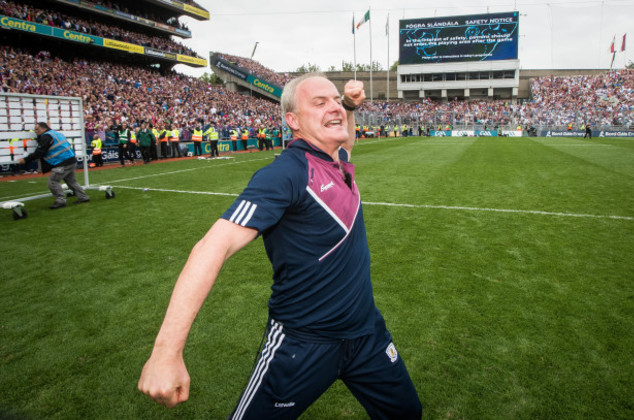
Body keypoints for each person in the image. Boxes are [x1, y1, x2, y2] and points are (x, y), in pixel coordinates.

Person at [138, 73, 422, 419]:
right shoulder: (286, 173)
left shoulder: (337, 159)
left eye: (335, 100)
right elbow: (213, 245)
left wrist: (348, 105)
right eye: (319, 103)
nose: (332, 107)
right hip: (301, 344)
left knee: (407, 414)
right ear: (293, 121)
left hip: (367, 334)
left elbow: (345, 140)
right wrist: (166, 352)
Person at [18, 122, 89, 209]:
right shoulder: (55, 133)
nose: (35, 131)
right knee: (71, 181)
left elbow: (40, 152)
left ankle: (61, 200)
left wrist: (25, 160)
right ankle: (83, 197)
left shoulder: (46, 137)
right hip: (70, 160)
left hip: (62, 162)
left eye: (37, 129)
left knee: (53, 182)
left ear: (43, 129)